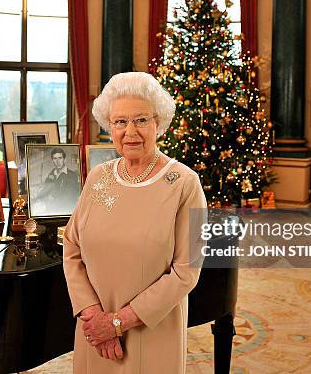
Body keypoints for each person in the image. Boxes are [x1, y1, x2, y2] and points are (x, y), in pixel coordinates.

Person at [63, 72, 207, 374]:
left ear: (159, 123)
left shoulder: (185, 183)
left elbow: (186, 272)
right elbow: (72, 247)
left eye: (141, 120)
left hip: (151, 332)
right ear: (109, 127)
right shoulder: (98, 176)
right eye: (120, 122)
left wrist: (117, 323)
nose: (130, 132)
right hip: (94, 332)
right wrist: (93, 317)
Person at [36, 147, 80, 215]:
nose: (58, 161)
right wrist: (38, 198)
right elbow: (45, 190)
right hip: (51, 211)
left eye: (60, 158)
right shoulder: (51, 174)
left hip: (66, 211)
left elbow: (70, 197)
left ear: (64, 159)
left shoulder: (72, 175)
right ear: (52, 160)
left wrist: (51, 200)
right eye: (55, 158)